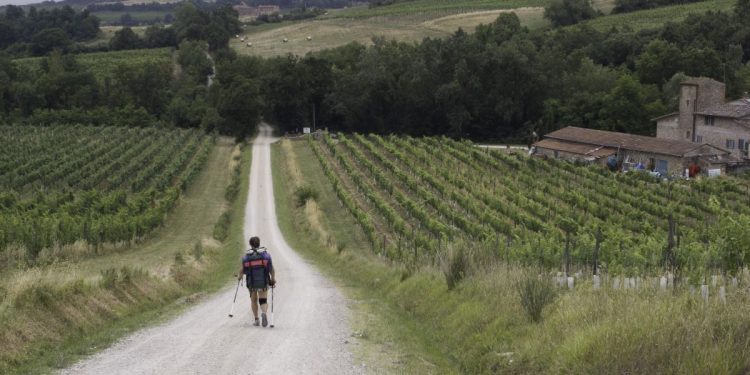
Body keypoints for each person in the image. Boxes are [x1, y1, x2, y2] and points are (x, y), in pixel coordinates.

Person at [238, 236, 276, 327]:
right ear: (259, 243)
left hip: (251, 282)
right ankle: (263, 313)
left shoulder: (246, 257)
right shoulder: (266, 256)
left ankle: (256, 319)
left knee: (253, 300)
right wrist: (273, 279)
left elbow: (242, 270)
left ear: (250, 244)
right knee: (263, 300)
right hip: (263, 281)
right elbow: (272, 269)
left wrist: (239, 277)